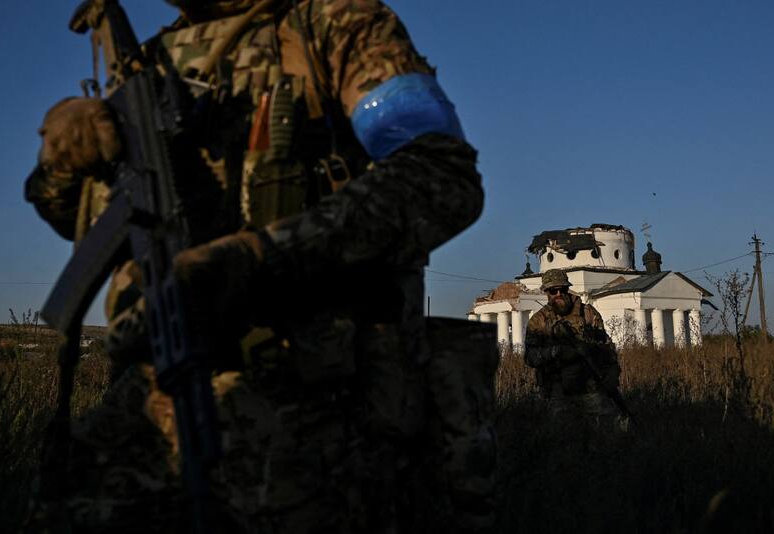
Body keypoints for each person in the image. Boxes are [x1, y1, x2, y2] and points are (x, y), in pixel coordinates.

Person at [25, 0, 491, 531]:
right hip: (155, 394)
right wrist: (61, 165)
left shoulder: (333, 24)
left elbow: (440, 175)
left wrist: (263, 256)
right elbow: (83, 221)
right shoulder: (149, 62)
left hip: (312, 405)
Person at [524, 269, 624, 421]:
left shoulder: (587, 313)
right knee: (562, 431)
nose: (558, 294)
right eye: (553, 291)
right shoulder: (538, 321)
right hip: (557, 390)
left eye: (563, 289)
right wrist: (555, 352)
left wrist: (612, 374)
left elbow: (607, 347)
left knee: (611, 424)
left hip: (590, 386)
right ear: (546, 293)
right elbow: (529, 357)